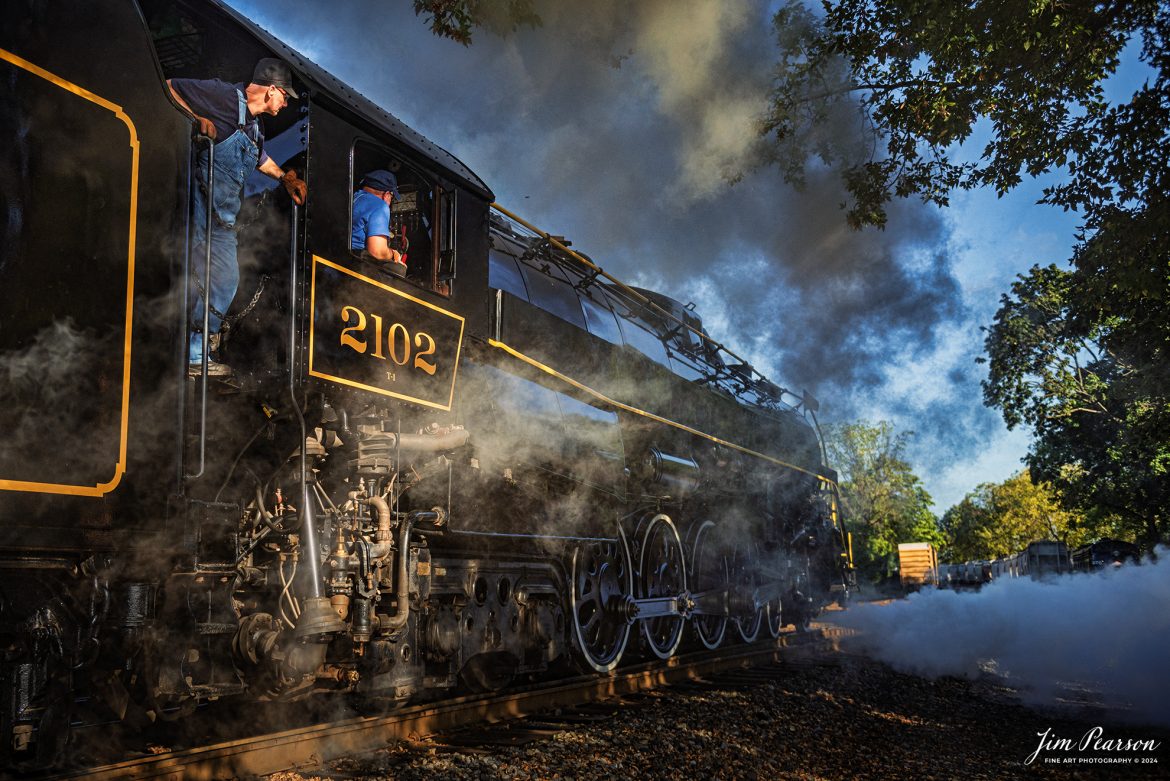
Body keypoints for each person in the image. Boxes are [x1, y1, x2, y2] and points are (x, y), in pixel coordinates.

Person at [168, 58, 308, 377]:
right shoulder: (225, 97)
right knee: (193, 274)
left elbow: (259, 158)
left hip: (224, 223)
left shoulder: (254, 128)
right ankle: (179, 346)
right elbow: (169, 88)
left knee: (228, 280)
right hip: (198, 205)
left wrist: (285, 178)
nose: (286, 103)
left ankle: (196, 352)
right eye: (285, 96)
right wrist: (194, 118)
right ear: (271, 89)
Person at [351, 169, 408, 277]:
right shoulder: (379, 205)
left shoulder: (353, 198)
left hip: (337, 261)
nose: (390, 202)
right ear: (387, 194)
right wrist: (393, 254)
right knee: (399, 270)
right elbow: (378, 252)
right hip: (356, 267)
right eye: (391, 197)